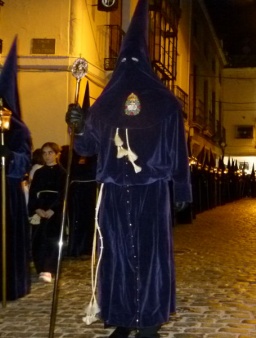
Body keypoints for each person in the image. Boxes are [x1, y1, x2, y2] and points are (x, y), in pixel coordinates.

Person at [65, 0, 192, 337]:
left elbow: (178, 150)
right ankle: (121, 317)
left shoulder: (165, 103)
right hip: (114, 192)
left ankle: (148, 320)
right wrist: (78, 125)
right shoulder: (105, 105)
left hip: (151, 191)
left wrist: (180, 189)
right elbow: (86, 147)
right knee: (116, 255)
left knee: (151, 257)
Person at [0, 37, 33, 301]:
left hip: (6, 193)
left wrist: (9, 156)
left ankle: (9, 285)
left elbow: (24, 160)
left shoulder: (19, 128)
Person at [28, 142, 66, 283]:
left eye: (50, 152)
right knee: (38, 239)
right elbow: (33, 192)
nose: (47, 156)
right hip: (40, 207)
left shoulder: (62, 173)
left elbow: (63, 193)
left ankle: (49, 269)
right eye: (44, 153)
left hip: (53, 209)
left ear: (56, 154)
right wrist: (36, 208)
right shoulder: (39, 172)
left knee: (52, 239)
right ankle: (40, 267)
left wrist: (53, 209)